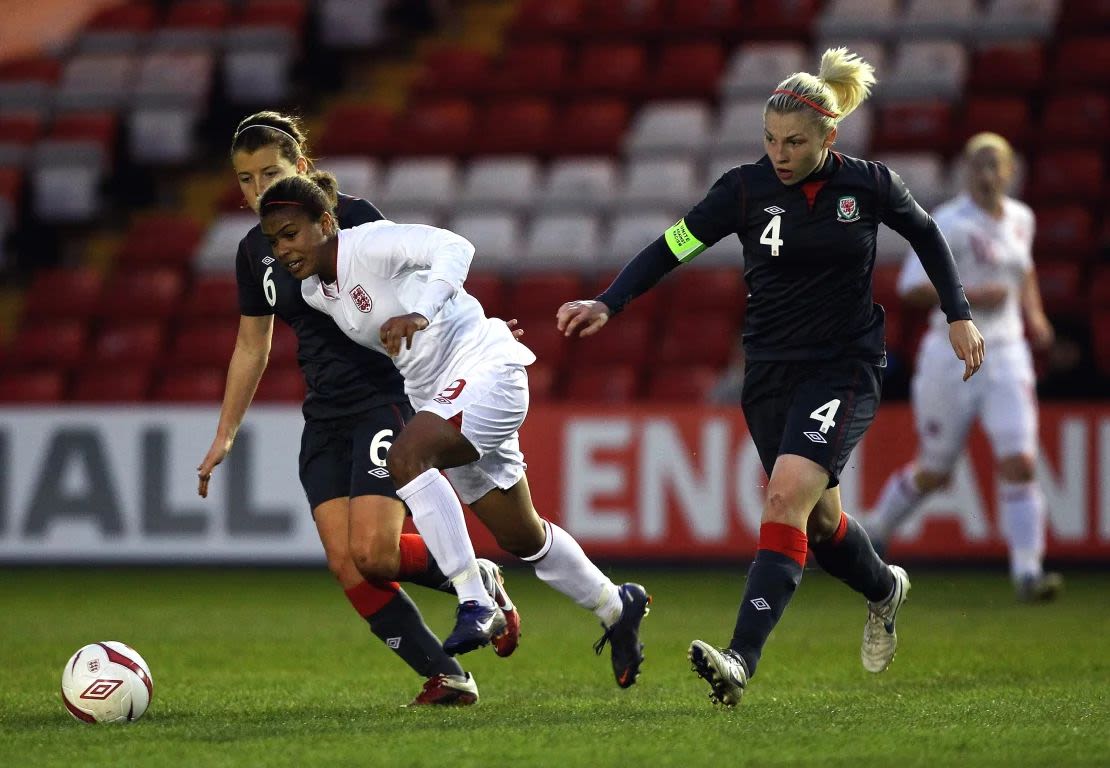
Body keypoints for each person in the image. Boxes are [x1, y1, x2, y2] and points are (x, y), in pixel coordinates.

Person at [556, 48, 986, 707]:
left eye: (795, 142)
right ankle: (882, 589)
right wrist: (608, 300)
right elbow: (674, 244)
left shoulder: (868, 184)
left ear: (828, 137)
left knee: (784, 499)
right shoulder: (744, 189)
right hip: (770, 372)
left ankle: (739, 660)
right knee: (816, 523)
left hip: (843, 367)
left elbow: (927, 235)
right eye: (771, 140)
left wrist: (958, 314)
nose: (780, 153)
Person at [257, 172, 652, 688]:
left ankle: (474, 600)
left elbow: (454, 247)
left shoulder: (369, 244)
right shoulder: (314, 292)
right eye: (274, 241)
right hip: (441, 395)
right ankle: (616, 605)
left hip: (486, 370)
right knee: (522, 535)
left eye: (291, 233)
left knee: (406, 459)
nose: (283, 249)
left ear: (326, 222)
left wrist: (427, 313)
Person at [195, 112, 519, 707]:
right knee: (349, 563)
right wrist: (226, 433)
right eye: (245, 179)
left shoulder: (356, 220)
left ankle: (474, 579)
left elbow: (423, 279)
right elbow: (252, 344)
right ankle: (447, 675)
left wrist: (472, 336)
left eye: (271, 172)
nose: (258, 189)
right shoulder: (255, 252)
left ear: (303, 168)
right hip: (325, 416)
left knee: (374, 551)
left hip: (384, 398)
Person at [867, 132, 1063, 603]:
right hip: (951, 354)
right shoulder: (948, 223)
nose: (987, 173)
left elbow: (1024, 271)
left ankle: (1028, 573)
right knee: (936, 470)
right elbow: (912, 288)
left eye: (996, 164)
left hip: (1008, 353)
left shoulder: (1022, 219)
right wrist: (968, 295)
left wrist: (1034, 315)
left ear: (1011, 171)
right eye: (978, 164)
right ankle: (875, 528)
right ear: (964, 172)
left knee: (1020, 460)